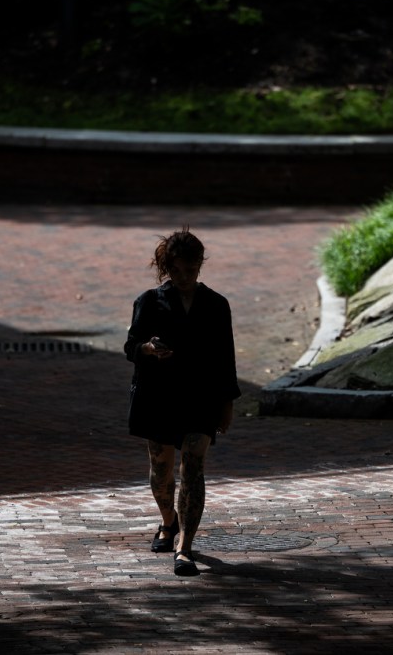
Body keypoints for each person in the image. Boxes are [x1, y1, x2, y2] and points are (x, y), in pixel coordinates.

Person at [124, 228, 241, 577]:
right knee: (161, 472)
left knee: (193, 466)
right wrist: (147, 349)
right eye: (176, 271)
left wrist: (227, 402)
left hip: (201, 397)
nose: (184, 278)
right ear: (167, 268)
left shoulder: (217, 305)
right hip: (158, 395)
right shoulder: (149, 301)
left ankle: (184, 547)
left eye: (190, 271)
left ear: (200, 266)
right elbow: (131, 348)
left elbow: (225, 357)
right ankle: (167, 521)